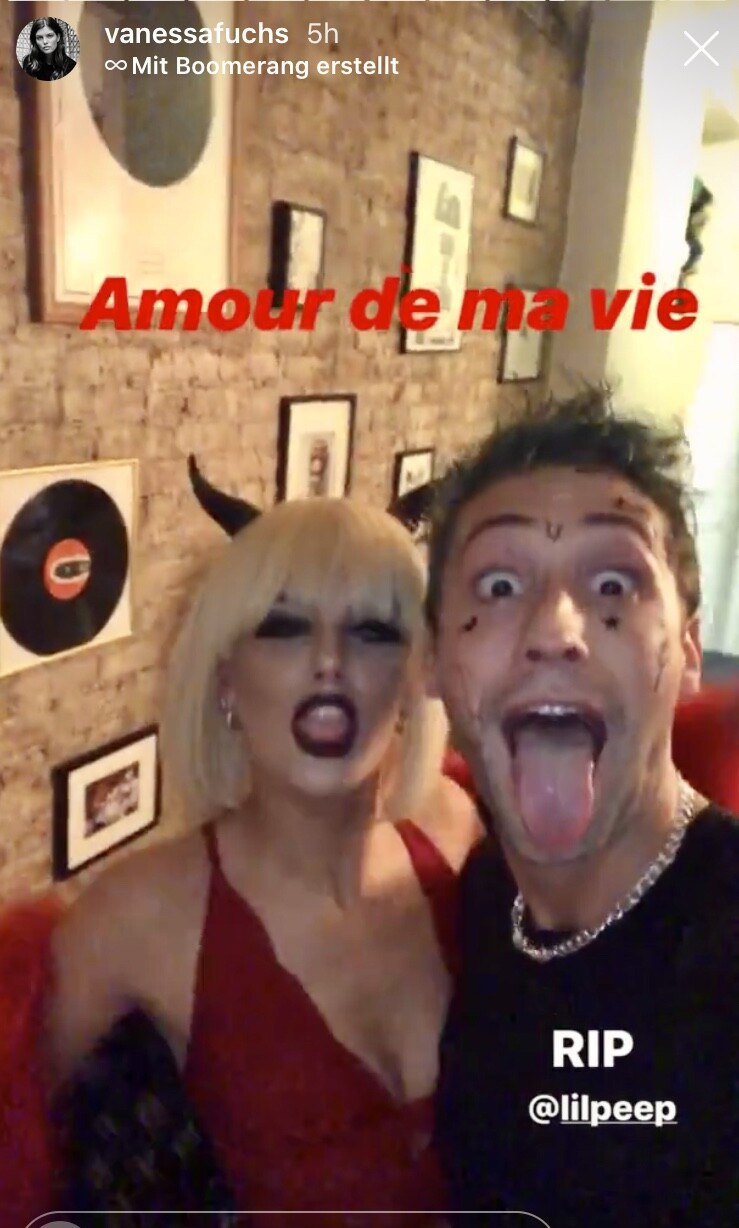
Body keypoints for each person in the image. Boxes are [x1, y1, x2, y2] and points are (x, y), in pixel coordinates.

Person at [33, 471, 480, 1226]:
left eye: (373, 631)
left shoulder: (456, 829)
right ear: (225, 680)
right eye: (283, 626)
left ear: (415, 678)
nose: (329, 661)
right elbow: (23, 1158)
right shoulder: (133, 918)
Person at [426, 388, 739, 1227]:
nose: (555, 628)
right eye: (498, 584)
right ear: (431, 660)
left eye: (612, 582)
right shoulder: (482, 899)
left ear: (686, 649)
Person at [21, 17, 77, 82]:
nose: (45, 41)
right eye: (39, 37)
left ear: (58, 37)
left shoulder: (70, 66)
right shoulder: (29, 63)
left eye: (49, 36)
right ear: (35, 41)